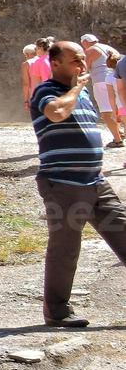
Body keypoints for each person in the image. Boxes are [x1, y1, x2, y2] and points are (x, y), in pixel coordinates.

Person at [29, 40, 126, 327]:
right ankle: (56, 311)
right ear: (55, 63)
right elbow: (57, 113)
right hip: (62, 183)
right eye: (75, 60)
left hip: (95, 182)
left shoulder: (80, 95)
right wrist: (77, 87)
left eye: (83, 59)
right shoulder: (46, 91)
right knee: (66, 247)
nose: (82, 65)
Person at [81, 34, 124, 148]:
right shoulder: (109, 48)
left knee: (106, 112)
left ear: (85, 42)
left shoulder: (90, 50)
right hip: (118, 80)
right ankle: (120, 132)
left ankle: (117, 140)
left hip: (102, 82)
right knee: (121, 108)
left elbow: (84, 68)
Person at [20, 43, 39, 112]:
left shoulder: (27, 64)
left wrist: (26, 101)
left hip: (34, 93)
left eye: (25, 55)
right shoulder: (45, 61)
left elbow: (26, 84)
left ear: (27, 54)